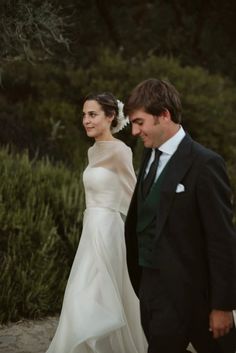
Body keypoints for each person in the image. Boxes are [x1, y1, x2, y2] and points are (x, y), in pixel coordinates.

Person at [123, 78, 236, 353]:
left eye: (140, 122)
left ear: (164, 115)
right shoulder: (148, 156)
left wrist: (223, 305)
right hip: (150, 285)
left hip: (189, 291)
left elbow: (221, 238)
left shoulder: (205, 163)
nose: (135, 131)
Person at [46, 92, 147, 353]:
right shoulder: (93, 151)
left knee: (92, 293)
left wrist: (142, 231)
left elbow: (133, 194)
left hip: (109, 233)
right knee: (86, 292)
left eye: (92, 114)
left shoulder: (120, 151)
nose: (86, 120)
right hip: (90, 230)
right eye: (84, 115)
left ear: (110, 116)